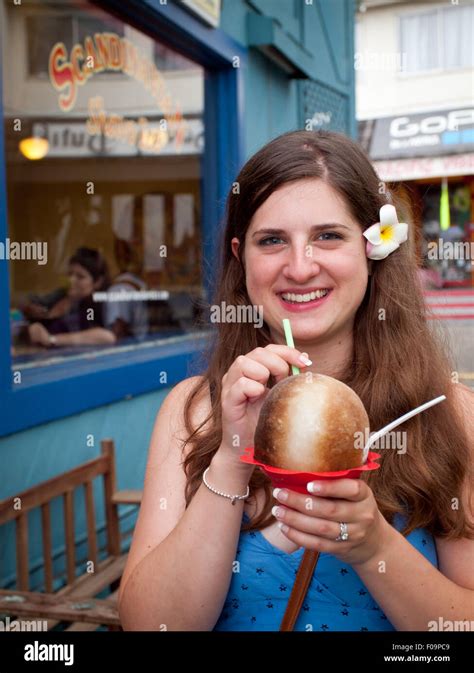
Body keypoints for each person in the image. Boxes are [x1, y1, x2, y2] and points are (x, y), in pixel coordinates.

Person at [118, 130, 473, 631]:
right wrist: (230, 458)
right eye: (272, 241)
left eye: (328, 236)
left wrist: (374, 546)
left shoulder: (447, 412)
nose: (300, 267)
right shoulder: (193, 410)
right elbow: (151, 626)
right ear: (241, 260)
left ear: (373, 250)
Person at [26, 247, 116, 348]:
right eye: (70, 274)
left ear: (98, 282)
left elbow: (105, 336)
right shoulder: (61, 296)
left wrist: (52, 339)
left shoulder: (90, 307)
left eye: (80, 277)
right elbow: (33, 302)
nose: (71, 280)